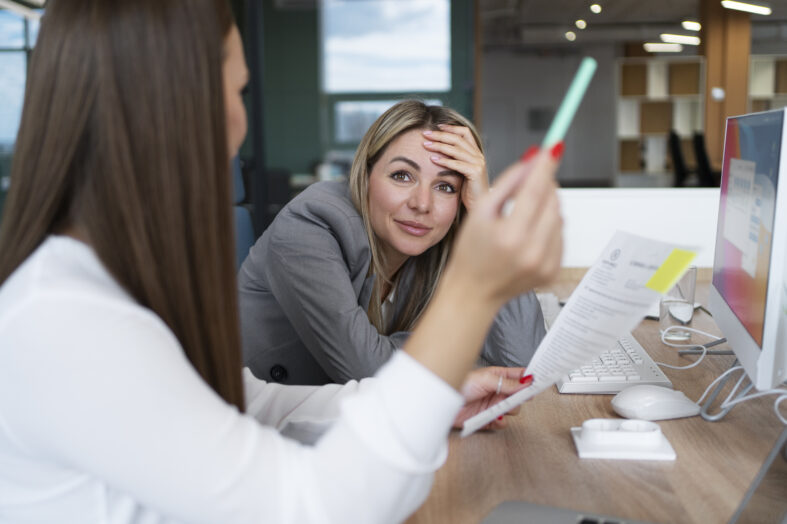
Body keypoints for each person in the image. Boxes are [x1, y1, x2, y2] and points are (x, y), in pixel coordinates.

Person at [0, 1, 563, 522]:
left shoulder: (104, 285)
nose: (241, 124)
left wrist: (434, 399)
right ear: (172, 108)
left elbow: (249, 400)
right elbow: (318, 507)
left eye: (444, 186)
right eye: (237, 93)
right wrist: (472, 291)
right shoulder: (69, 323)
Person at [239, 100, 547, 385]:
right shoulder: (311, 223)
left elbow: (522, 362)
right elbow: (367, 371)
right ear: (365, 174)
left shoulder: (438, 242)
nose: (422, 204)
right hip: (256, 426)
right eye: (402, 176)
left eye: (445, 186)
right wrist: (460, 358)